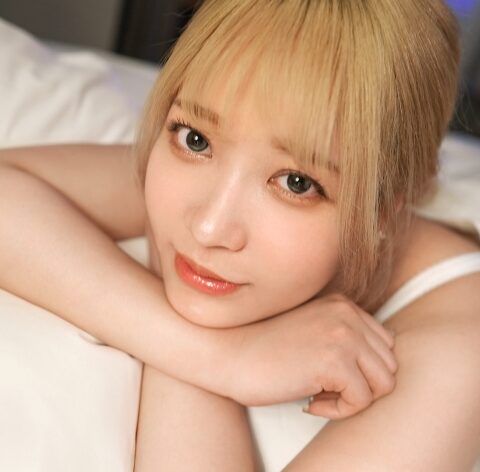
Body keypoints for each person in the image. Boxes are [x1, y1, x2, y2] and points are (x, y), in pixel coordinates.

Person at [1, 0, 480, 470]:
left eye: (296, 183)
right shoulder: (180, 179)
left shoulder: (460, 351)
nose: (208, 227)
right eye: (196, 138)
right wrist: (218, 358)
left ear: (387, 209)